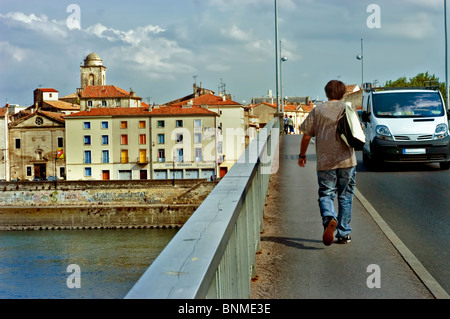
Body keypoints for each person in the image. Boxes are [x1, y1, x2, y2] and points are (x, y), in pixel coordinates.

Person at [298, 80, 357, 246]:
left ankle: (330, 216)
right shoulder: (349, 108)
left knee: (326, 193)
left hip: (325, 162)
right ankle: (344, 232)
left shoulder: (318, 110)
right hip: (347, 160)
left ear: (326, 93)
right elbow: (358, 131)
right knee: (345, 195)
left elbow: (306, 135)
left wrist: (302, 155)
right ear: (343, 93)